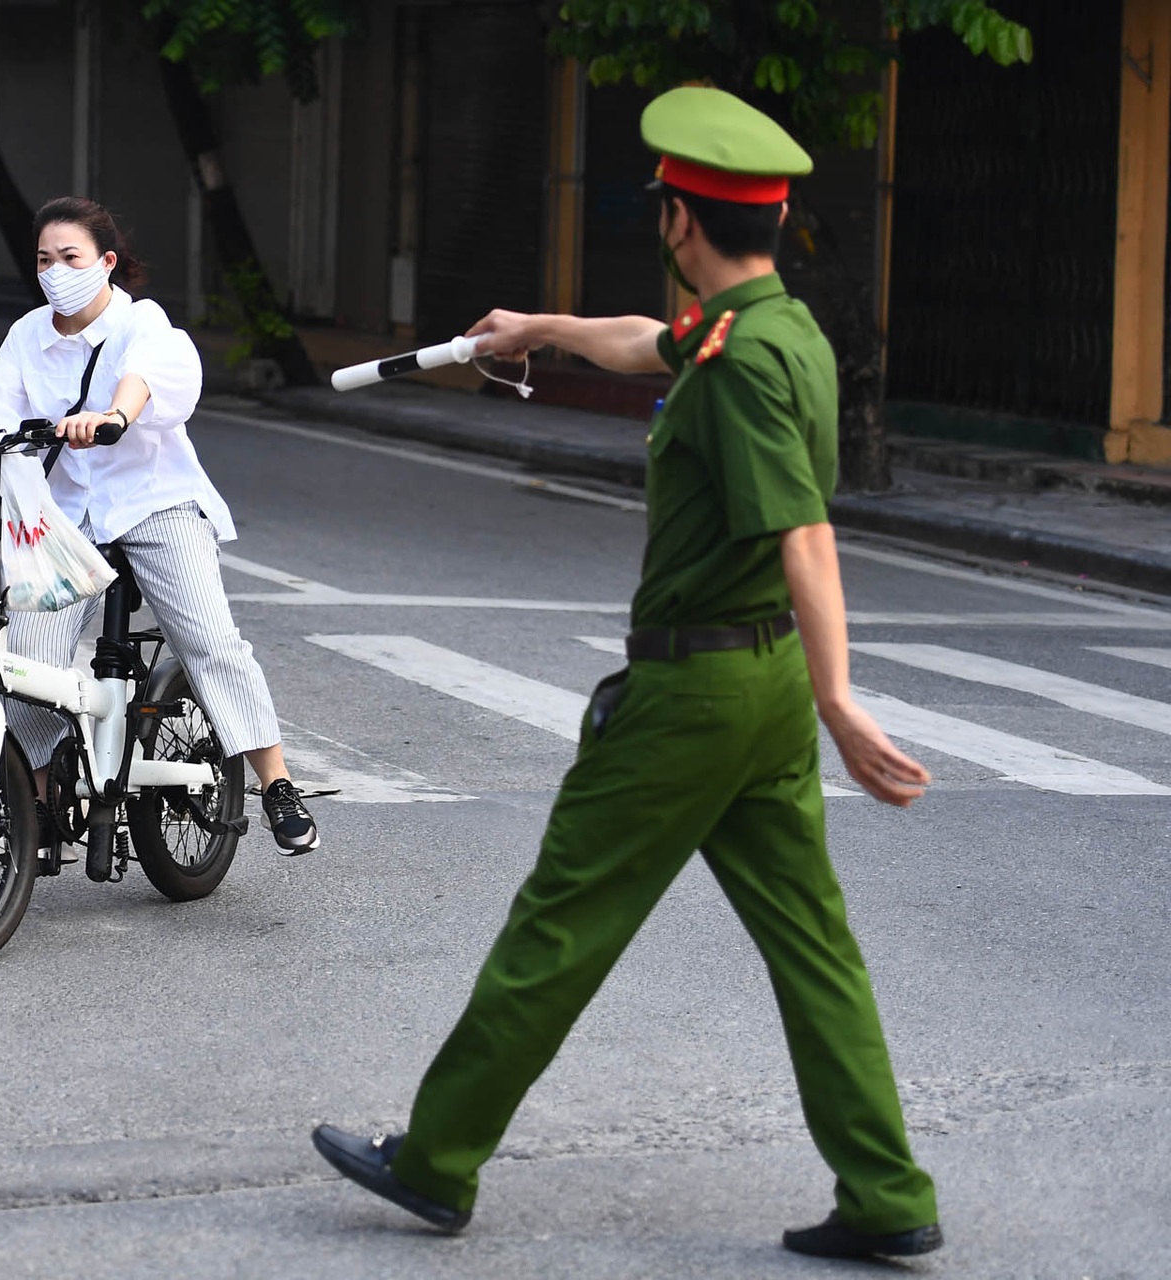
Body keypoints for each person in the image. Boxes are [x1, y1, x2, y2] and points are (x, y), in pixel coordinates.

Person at [310, 86, 944, 1262]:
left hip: (694, 700)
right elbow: (644, 341)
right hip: (751, 703)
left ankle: (437, 1156)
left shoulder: (744, 361)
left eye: (661, 209)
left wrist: (842, 696)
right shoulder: (774, 327)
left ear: (677, 225)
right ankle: (888, 1189)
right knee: (815, 944)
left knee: (563, 919)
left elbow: (804, 533)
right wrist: (536, 328)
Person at [0, 195, 320, 856]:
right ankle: (32, 809)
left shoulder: (138, 322)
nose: (56, 271)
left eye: (71, 257)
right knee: (26, 662)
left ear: (107, 262)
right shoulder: (29, 336)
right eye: (44, 259)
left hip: (154, 504)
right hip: (66, 521)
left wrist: (113, 418)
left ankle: (278, 783)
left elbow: (143, 377)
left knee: (209, 641)